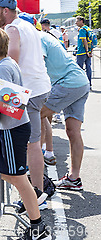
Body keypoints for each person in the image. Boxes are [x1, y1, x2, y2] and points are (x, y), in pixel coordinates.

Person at [0, 27, 51, 240]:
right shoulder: (8, 63)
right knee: (8, 174)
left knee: (20, 179)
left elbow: (13, 105)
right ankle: (34, 207)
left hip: (13, 129)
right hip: (16, 128)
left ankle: (37, 226)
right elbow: (11, 97)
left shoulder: (2, 69)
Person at [0, 0, 51, 196]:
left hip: (29, 92)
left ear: (6, 11)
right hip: (39, 87)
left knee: (32, 145)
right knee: (34, 141)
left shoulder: (12, 28)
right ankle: (36, 189)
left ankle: (37, 193)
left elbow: (11, 59)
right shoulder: (27, 25)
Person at [39, 31, 90, 190]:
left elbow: (37, 65)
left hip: (67, 83)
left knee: (36, 114)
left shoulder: (36, 39)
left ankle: (36, 177)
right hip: (80, 82)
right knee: (73, 131)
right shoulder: (46, 36)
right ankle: (74, 178)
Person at [75, 16, 93, 89]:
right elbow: (91, 41)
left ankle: (81, 84)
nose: (76, 23)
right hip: (88, 52)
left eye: (77, 21)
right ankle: (89, 83)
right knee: (88, 67)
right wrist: (90, 51)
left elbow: (84, 40)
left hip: (82, 52)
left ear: (81, 21)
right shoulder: (87, 28)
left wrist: (86, 51)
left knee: (79, 69)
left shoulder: (82, 30)